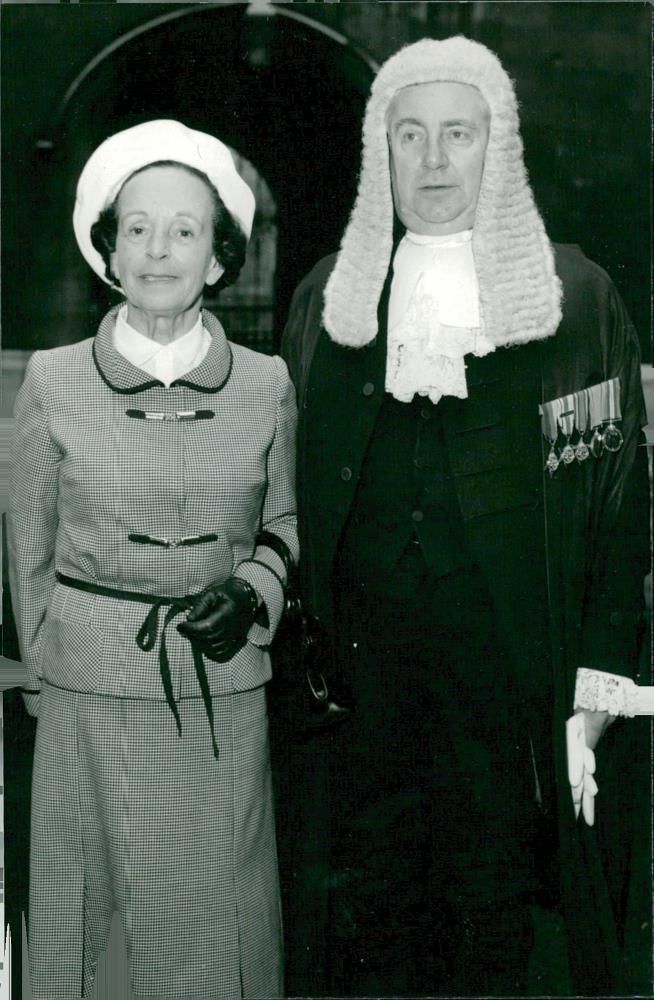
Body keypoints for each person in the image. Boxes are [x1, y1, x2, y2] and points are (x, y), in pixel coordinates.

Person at [281, 36, 649, 997]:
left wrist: (597, 686)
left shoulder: (576, 300)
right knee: (371, 909)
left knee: (495, 911)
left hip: (510, 678)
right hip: (361, 688)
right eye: (411, 136)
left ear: (500, 149)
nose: (434, 160)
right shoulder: (330, 296)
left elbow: (615, 499)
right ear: (382, 154)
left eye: (458, 134)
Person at [8, 119, 297, 1000]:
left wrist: (252, 595)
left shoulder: (266, 383)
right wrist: (39, 673)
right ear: (108, 250)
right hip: (86, 694)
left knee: (216, 935)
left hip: (220, 697)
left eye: (184, 230)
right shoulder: (52, 380)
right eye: (136, 228)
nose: (158, 250)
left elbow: (283, 526)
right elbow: (29, 548)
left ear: (219, 258)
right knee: (84, 925)